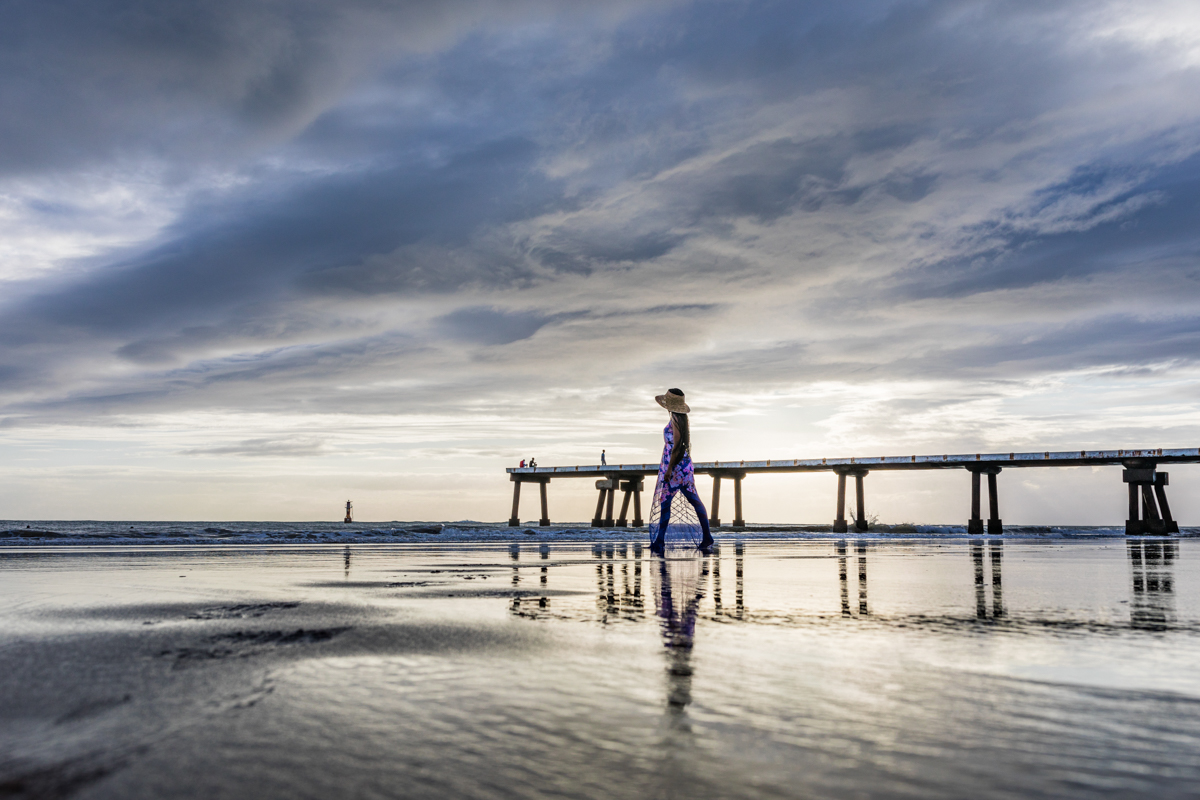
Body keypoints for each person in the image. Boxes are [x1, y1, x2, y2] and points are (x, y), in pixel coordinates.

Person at [649, 389, 713, 553]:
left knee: (666, 502)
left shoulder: (676, 418)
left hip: (676, 466)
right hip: (683, 466)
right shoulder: (682, 418)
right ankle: (706, 536)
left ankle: (660, 541)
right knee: (693, 499)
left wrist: (669, 469)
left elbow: (677, 447)